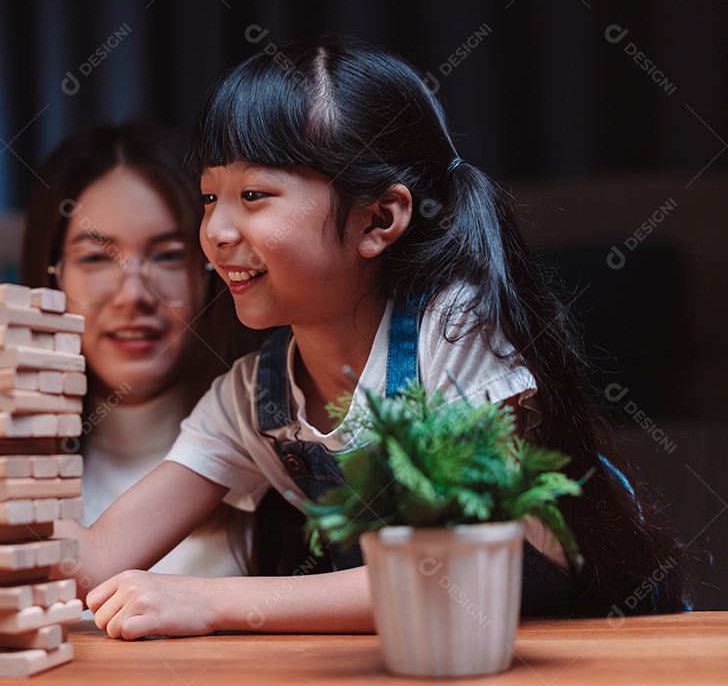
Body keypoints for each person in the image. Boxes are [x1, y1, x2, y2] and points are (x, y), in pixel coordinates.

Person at [52, 36, 690, 640]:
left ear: (379, 218)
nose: (216, 231)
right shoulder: (253, 401)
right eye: (209, 196)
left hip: (605, 650)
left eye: (252, 194)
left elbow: (458, 578)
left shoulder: (454, 330)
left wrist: (210, 600)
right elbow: (97, 558)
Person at [0, 122, 260, 583]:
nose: (133, 294)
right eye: (96, 258)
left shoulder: (265, 433)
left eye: (169, 255)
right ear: (52, 280)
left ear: (212, 271)